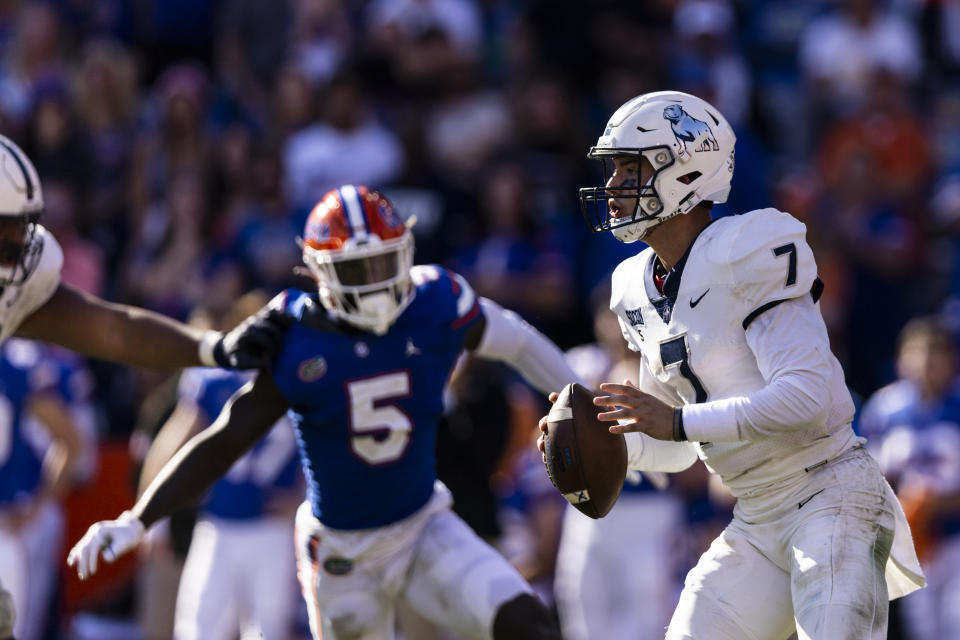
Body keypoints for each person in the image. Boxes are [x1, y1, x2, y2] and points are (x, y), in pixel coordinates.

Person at [68, 185, 579, 640]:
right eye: (358, 270)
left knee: (525, 620)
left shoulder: (435, 300)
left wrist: (578, 396)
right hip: (342, 554)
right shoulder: (296, 337)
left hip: (424, 524)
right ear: (321, 274)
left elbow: (516, 341)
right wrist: (138, 520)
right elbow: (225, 439)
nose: (375, 283)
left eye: (384, 263)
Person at [538, 90, 925, 639]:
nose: (616, 185)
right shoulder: (632, 287)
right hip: (755, 515)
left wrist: (674, 423)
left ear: (687, 169)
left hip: (832, 496)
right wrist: (600, 440)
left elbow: (806, 397)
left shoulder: (749, 247)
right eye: (615, 168)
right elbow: (675, 449)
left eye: (632, 167)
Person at [0, 134, 289, 640]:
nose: (19, 248)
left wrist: (214, 349)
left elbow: (112, 329)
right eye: (4, 236)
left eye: (20, 231)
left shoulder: (23, 277)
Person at [138, 292, 303, 640]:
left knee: (261, 628)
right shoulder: (216, 378)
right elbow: (170, 444)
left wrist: (304, 500)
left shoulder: (296, 381)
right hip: (220, 525)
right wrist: (153, 519)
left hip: (269, 527)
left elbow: (323, 448)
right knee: (201, 628)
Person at [859, 316, 960, 640]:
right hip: (913, 542)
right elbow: (869, 481)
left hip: (956, 537)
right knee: (925, 630)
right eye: (917, 351)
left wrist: (935, 502)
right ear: (901, 358)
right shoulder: (884, 409)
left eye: (935, 351)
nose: (926, 361)